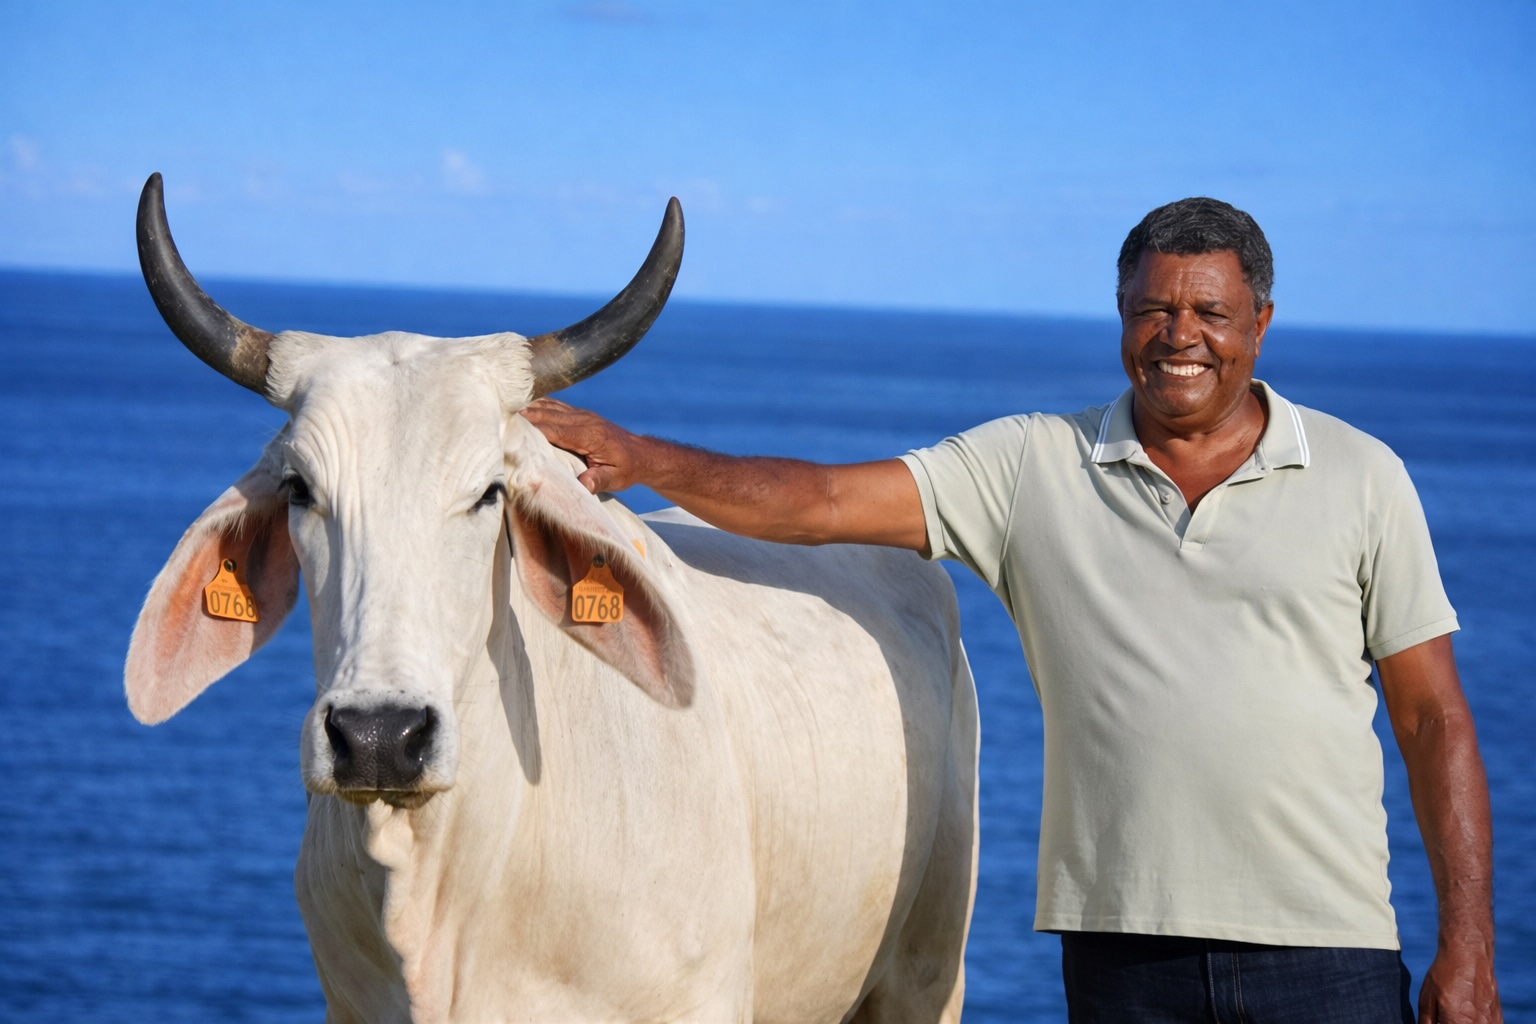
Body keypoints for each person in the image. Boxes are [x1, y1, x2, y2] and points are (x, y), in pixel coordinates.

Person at [523, 198, 1501, 1023]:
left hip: (1329, 954)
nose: (1180, 335)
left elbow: (1433, 719)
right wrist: (644, 457)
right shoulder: (1033, 465)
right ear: (1121, 316)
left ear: (1261, 324)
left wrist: (1470, 944)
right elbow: (820, 503)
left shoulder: (1362, 476)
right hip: (1126, 956)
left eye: (1211, 310)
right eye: (1153, 309)